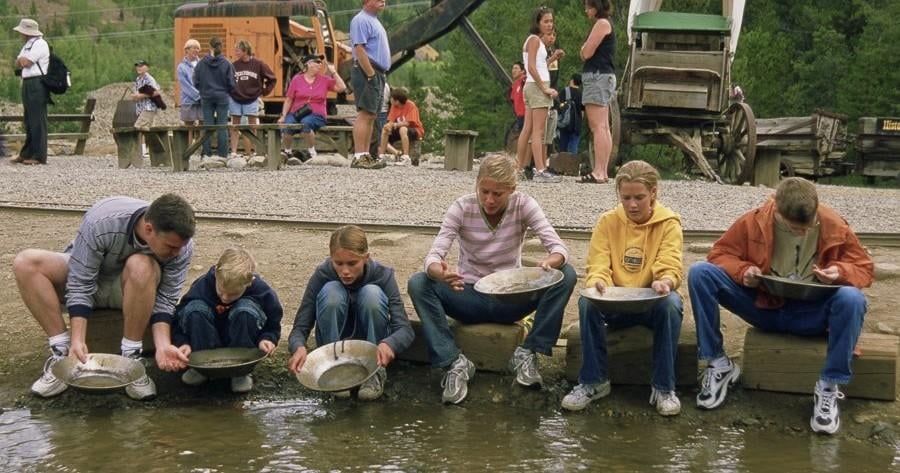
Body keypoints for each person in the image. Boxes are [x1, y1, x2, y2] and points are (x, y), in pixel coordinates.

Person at [688, 177, 873, 434]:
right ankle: (718, 364)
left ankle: (829, 386)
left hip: (812, 315)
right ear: (776, 209)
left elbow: (864, 269)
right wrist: (744, 271)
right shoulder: (754, 221)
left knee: (853, 299)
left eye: (808, 226)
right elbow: (719, 254)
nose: (802, 232)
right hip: (765, 307)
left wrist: (839, 271)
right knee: (700, 272)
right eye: (794, 227)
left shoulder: (834, 224)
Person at [407, 154, 577, 405]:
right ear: (477, 184)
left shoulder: (524, 204)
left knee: (567, 275)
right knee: (418, 283)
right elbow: (434, 253)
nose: (489, 199)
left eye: (498, 194)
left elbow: (559, 248)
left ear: (512, 190)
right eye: (484, 191)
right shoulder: (462, 207)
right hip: (469, 294)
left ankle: (528, 352)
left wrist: (549, 263)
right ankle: (454, 362)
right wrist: (438, 272)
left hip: (511, 297)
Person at [12, 194, 196, 401]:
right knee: (25, 263)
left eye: (180, 247)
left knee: (141, 265)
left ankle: (132, 361)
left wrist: (162, 345)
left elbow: (166, 299)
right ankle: (61, 357)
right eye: (171, 247)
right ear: (149, 229)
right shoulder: (102, 220)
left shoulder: (182, 246)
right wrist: (77, 340)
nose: (177, 253)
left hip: (133, 290)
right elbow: (80, 282)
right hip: (92, 279)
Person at [561, 161, 684, 416]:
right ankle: (593, 381)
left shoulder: (669, 223)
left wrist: (665, 281)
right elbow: (598, 263)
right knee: (587, 302)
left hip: (651, 302)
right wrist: (598, 281)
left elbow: (671, 264)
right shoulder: (607, 221)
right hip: (615, 303)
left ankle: (664, 387)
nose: (632, 205)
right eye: (626, 197)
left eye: (639, 197)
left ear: (653, 193)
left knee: (671, 303)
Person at [287, 225, 414, 401]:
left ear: (366, 258)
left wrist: (389, 344)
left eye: (352, 264)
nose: (345, 271)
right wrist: (298, 347)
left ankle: (375, 374)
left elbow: (404, 329)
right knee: (332, 291)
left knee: (372, 294)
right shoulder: (323, 274)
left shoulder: (383, 276)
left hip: (370, 348)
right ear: (331, 259)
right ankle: (332, 367)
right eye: (338, 264)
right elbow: (301, 326)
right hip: (333, 346)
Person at [173, 247, 282, 393]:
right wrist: (182, 342)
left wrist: (268, 338)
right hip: (205, 343)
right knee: (194, 309)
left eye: (232, 295)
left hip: (241, 341)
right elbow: (179, 318)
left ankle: (241, 372)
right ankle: (201, 369)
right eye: (221, 292)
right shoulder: (203, 285)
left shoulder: (262, 291)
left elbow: (273, 322)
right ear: (216, 275)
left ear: (249, 282)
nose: (225, 298)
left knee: (245, 311)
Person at [515, 6, 563, 183]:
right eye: (546, 21)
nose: (550, 25)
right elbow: (532, 68)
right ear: (538, 23)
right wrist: (545, 88)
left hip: (531, 85)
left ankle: (520, 168)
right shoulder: (535, 40)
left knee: (527, 129)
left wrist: (553, 59)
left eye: (551, 21)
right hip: (537, 86)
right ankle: (540, 170)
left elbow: (539, 63)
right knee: (538, 132)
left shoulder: (533, 40)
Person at [278, 54, 346, 165]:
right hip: (297, 112)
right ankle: (288, 152)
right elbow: (289, 99)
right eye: (317, 62)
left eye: (321, 62)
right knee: (287, 124)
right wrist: (283, 115)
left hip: (316, 113)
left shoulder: (324, 79)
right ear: (308, 64)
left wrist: (333, 72)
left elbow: (342, 88)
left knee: (306, 123)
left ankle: (312, 152)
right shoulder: (297, 79)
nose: (320, 64)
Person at [349, 0, 391, 170]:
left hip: (377, 72)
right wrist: (371, 74)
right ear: (366, 1)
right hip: (368, 71)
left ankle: (366, 155)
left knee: (372, 115)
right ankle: (359, 155)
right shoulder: (361, 20)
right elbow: (360, 49)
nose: (383, 1)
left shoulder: (374, 20)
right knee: (365, 113)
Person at [579, 0, 616, 184]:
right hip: (604, 76)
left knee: (597, 126)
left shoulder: (601, 24)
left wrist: (583, 48)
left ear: (596, 7)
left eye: (588, 6)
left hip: (597, 76)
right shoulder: (606, 23)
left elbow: (586, 52)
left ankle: (599, 171)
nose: (586, 10)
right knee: (604, 126)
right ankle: (603, 170)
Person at [229, 40, 276, 159]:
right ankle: (233, 152)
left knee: (252, 125)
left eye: (238, 50)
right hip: (235, 98)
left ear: (245, 51)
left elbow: (272, 78)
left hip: (251, 98)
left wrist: (264, 91)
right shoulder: (234, 65)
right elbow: (227, 81)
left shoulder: (258, 64)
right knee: (235, 125)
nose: (236, 52)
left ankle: (254, 151)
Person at [12, 18, 50, 165]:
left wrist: (22, 60)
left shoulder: (40, 44)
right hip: (27, 81)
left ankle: (39, 155)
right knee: (28, 118)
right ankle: (27, 152)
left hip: (37, 82)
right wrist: (22, 60)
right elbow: (18, 62)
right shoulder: (28, 45)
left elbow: (26, 62)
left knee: (37, 119)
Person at [194, 36, 236, 165]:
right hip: (222, 96)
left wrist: (203, 90)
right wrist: (225, 91)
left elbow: (195, 81)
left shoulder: (201, 63)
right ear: (221, 47)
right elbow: (232, 83)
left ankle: (207, 154)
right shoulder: (227, 63)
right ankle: (223, 155)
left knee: (208, 125)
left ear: (209, 47)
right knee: (222, 126)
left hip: (206, 97)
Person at [377, 87, 424, 165]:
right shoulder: (394, 107)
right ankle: (382, 156)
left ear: (397, 101)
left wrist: (395, 124)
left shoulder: (410, 105)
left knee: (403, 128)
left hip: (414, 130)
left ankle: (405, 157)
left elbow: (408, 123)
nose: (390, 100)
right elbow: (391, 120)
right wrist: (388, 125)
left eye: (391, 98)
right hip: (399, 129)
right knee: (385, 129)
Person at [177, 39, 203, 144]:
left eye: (198, 48)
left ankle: (201, 148)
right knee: (189, 126)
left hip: (203, 99)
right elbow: (185, 85)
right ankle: (188, 149)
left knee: (203, 124)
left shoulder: (202, 64)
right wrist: (198, 95)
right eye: (194, 48)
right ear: (187, 50)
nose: (196, 50)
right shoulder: (181, 67)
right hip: (188, 100)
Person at [557, 74, 584, 154]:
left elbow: (558, 105)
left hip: (565, 123)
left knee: (563, 146)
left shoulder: (565, 91)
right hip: (577, 125)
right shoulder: (581, 94)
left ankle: (562, 165)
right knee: (573, 147)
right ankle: (572, 165)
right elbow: (582, 112)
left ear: (572, 80)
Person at [509, 62, 526, 132]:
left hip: (527, 115)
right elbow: (513, 100)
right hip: (519, 116)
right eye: (513, 68)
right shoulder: (514, 84)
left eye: (516, 68)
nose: (513, 70)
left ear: (522, 71)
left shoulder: (525, 80)